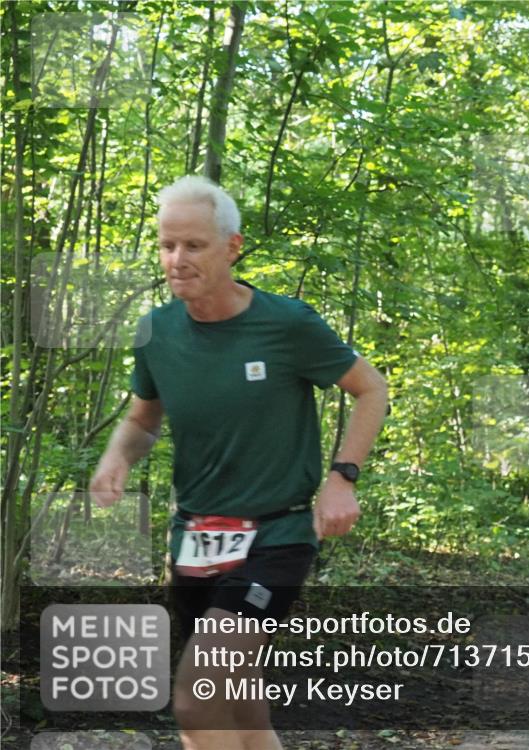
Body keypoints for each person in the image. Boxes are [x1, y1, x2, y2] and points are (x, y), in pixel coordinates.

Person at [89, 176, 388, 750]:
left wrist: (341, 479)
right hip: (196, 538)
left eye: (194, 245)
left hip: (275, 536)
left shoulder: (287, 324)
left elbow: (371, 388)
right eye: (167, 245)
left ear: (232, 247)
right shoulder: (156, 331)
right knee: (240, 706)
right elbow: (142, 420)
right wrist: (115, 457)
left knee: (197, 697)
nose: (177, 259)